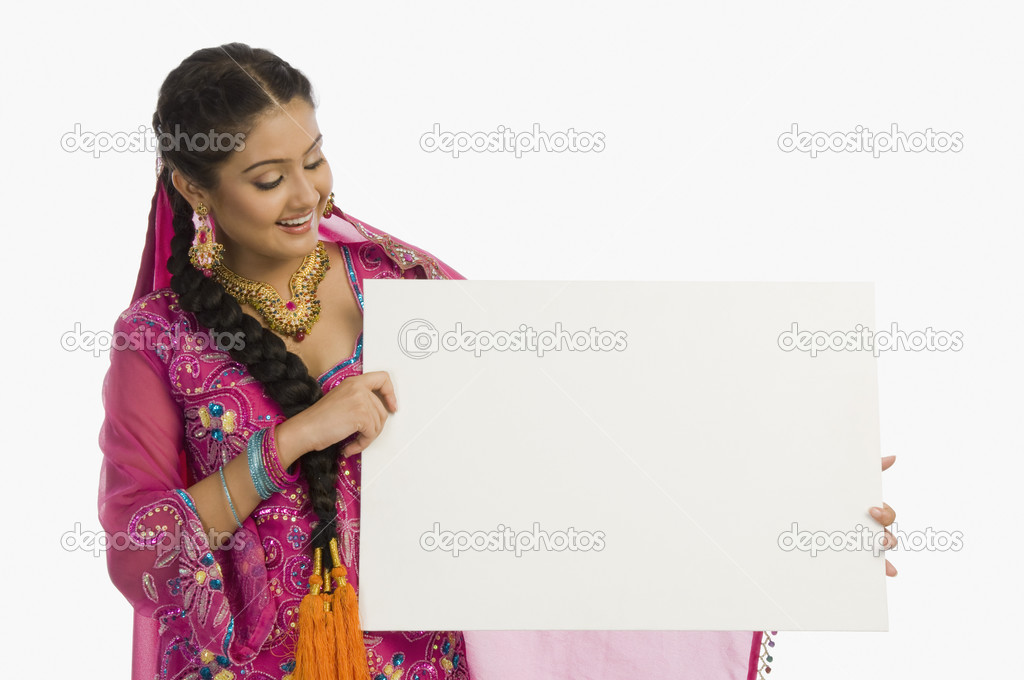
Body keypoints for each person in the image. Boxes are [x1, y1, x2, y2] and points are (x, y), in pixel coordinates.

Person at [98, 42, 899, 680]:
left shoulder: (405, 287)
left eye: (314, 159)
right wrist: (291, 441)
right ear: (194, 188)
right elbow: (139, 558)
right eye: (269, 179)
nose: (307, 193)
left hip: (430, 664)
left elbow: (577, 446)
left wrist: (797, 503)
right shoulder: (157, 340)